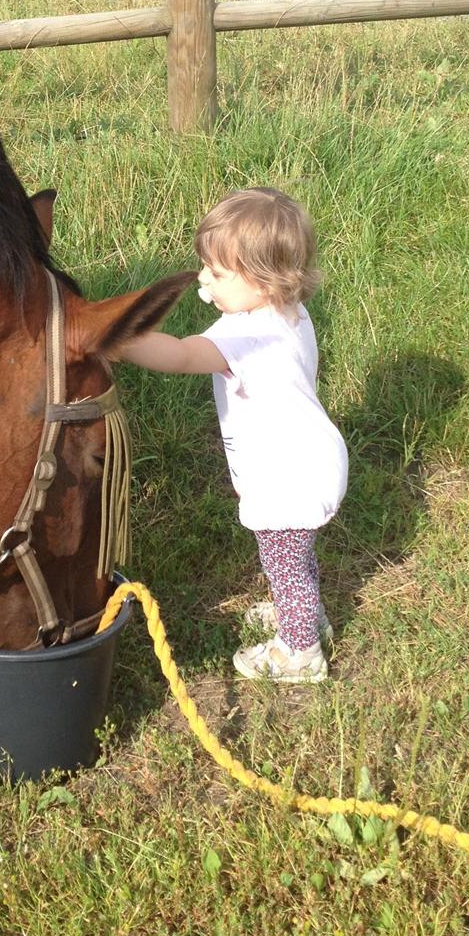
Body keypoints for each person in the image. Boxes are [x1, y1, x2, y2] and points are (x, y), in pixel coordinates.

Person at [121, 188, 348, 683]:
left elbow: (181, 355)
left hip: (288, 476)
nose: (203, 279)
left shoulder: (244, 336)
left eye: (217, 272)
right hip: (308, 458)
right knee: (292, 555)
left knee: (283, 559)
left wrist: (117, 337)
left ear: (264, 281)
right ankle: (303, 613)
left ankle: (299, 652)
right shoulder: (286, 313)